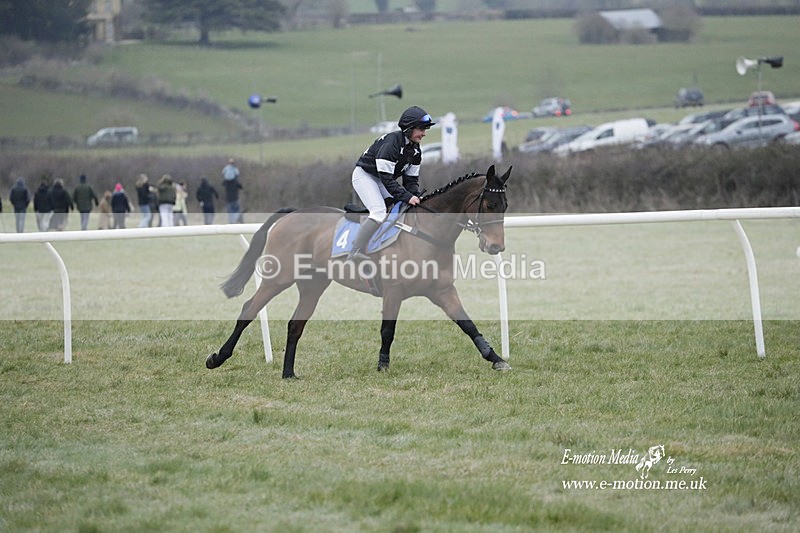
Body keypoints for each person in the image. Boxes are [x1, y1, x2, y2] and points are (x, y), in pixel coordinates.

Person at [347, 105, 434, 260]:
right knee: (379, 212)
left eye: (425, 129)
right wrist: (407, 196)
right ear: (409, 128)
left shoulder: (415, 151)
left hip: (382, 179)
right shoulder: (391, 144)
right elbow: (387, 179)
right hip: (365, 176)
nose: (424, 134)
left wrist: (414, 196)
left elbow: (411, 181)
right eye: (421, 129)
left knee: (399, 208)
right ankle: (355, 251)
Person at [221, 158, 243, 223]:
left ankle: (232, 225)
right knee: (237, 212)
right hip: (235, 198)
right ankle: (237, 223)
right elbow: (241, 186)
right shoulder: (235, 172)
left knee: (230, 214)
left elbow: (222, 183)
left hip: (228, 199)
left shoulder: (225, 180)